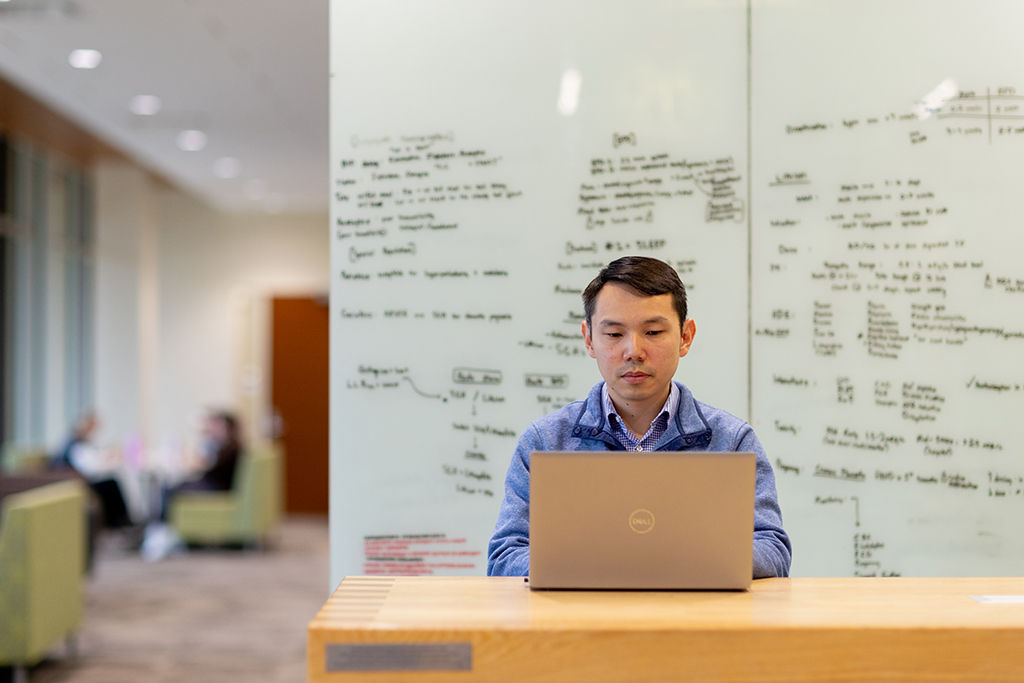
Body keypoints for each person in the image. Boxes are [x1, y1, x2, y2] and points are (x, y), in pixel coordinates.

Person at [487, 256, 792, 579]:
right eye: (615, 334)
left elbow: (772, 549)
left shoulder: (731, 440)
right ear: (589, 338)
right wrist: (599, 565)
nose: (633, 350)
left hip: (693, 625)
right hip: (582, 625)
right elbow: (506, 555)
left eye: (653, 331)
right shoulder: (545, 441)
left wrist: (667, 561)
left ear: (686, 336)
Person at [53, 412, 132, 529]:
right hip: (78, 483)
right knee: (111, 485)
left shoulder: (82, 442)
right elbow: (89, 469)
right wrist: (105, 462)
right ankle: (119, 523)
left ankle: (122, 521)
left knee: (112, 482)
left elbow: (92, 460)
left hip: (83, 479)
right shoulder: (76, 445)